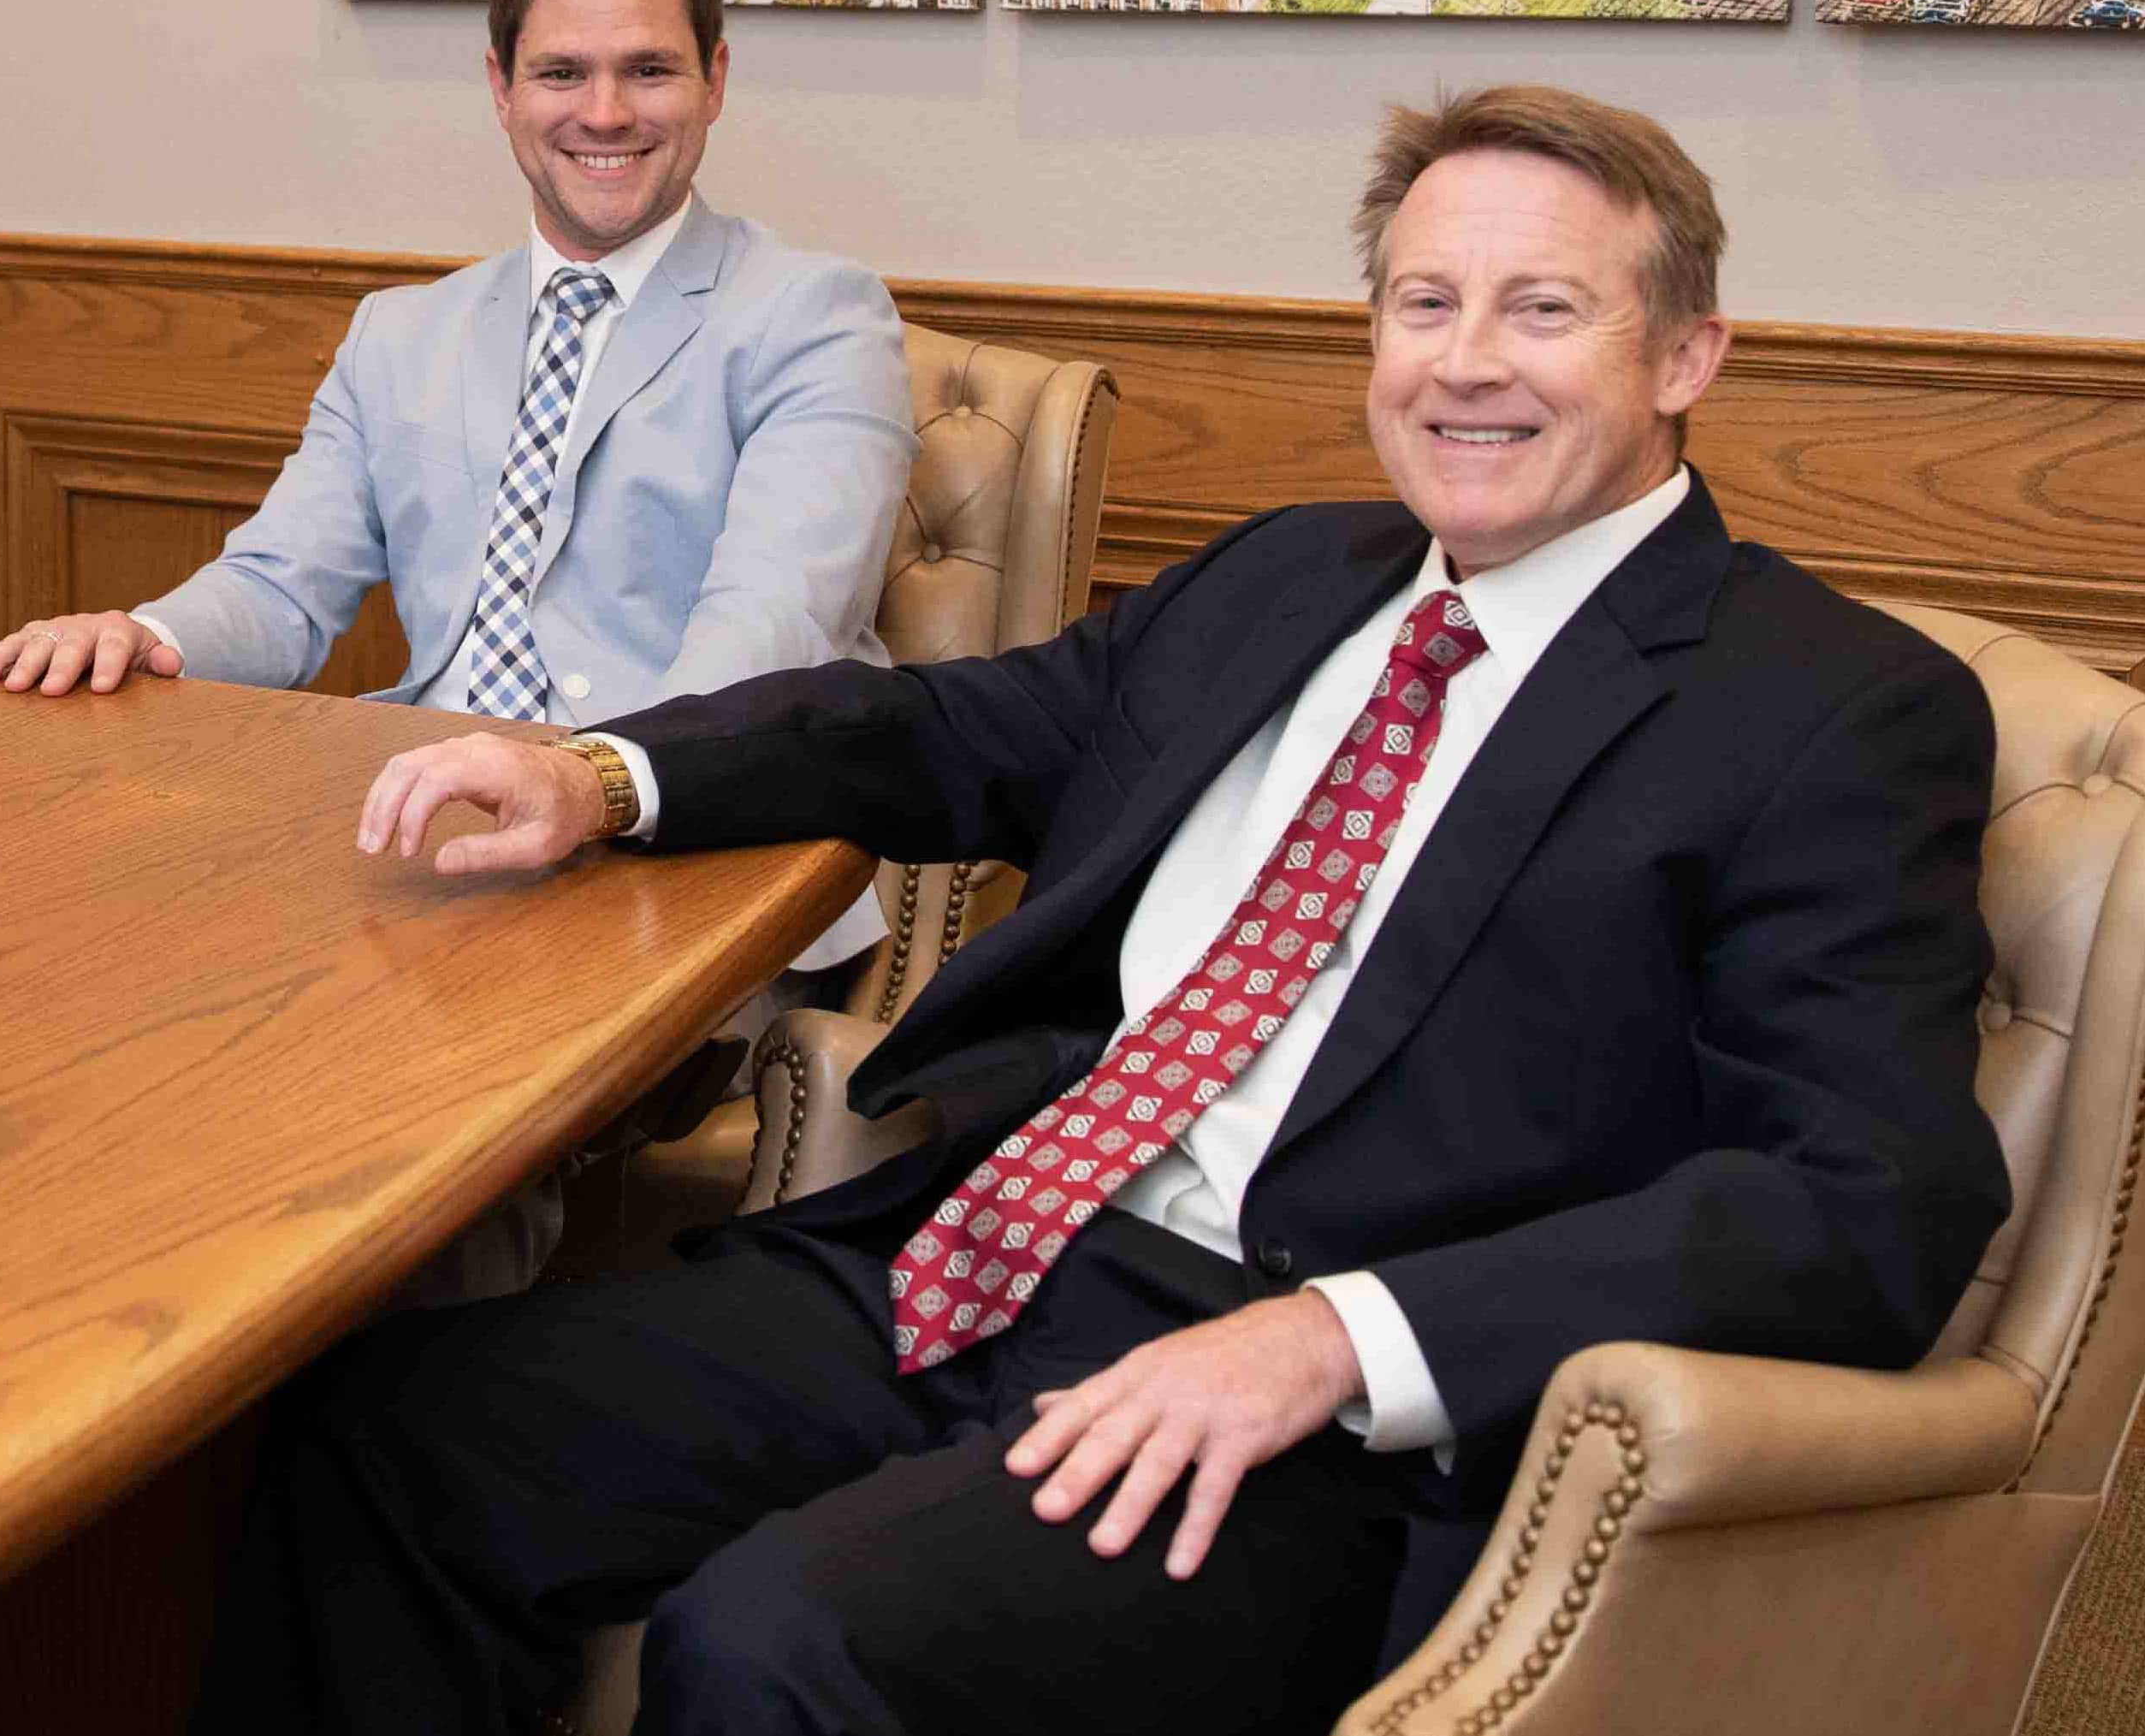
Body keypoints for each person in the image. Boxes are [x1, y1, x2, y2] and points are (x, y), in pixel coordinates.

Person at [197, 86, 2009, 1735]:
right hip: (984, 1251)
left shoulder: (1831, 710)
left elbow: (1866, 1197)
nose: (1466, 365)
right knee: (388, 1437)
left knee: (780, 1641)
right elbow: (948, 730)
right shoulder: (1293, 575)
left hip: (1308, 1417)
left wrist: (1339, 1339)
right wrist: (604, 773)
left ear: (1688, 354)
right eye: (1423, 303)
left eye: (1543, 311)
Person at [0, 0, 915, 1295]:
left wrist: (587, 782)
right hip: (424, 844)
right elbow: (280, 587)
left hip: (686, 860)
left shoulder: (816, 319)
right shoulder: (400, 337)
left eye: (649, 69)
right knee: (123, 1038)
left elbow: (765, 637)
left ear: (716, 80)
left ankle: (424, 1419)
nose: (606, 112)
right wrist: (145, 632)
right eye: (563, 71)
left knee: (432, 1129)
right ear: (500, 89)